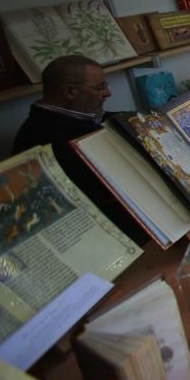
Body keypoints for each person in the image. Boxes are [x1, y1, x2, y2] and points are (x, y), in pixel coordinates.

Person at [12, 55, 146, 243]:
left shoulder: (78, 116)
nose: (108, 93)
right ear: (71, 91)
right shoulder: (46, 138)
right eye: (99, 88)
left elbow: (98, 120)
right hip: (106, 233)